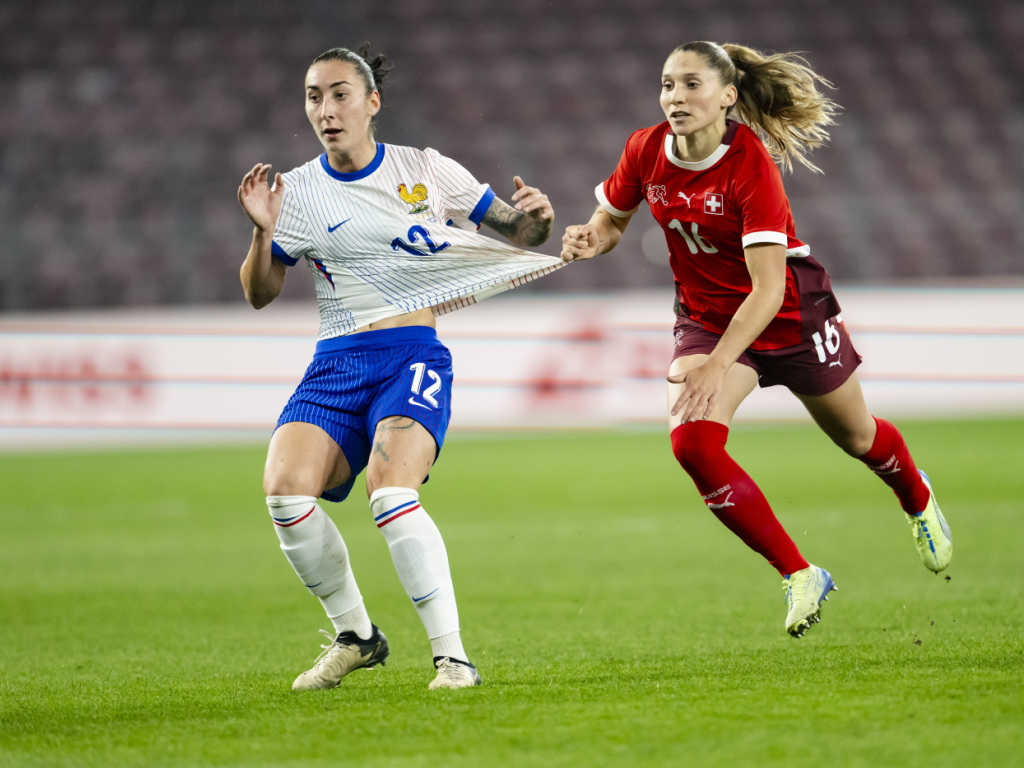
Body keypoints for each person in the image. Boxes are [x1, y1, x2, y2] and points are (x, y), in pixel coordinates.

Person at [560, 41, 952, 638]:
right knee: (693, 445)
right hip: (707, 318)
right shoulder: (644, 148)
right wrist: (594, 237)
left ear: (727, 96)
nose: (675, 97)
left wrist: (717, 366)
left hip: (789, 315)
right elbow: (611, 219)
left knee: (858, 437)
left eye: (691, 84)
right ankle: (800, 573)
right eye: (667, 84)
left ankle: (916, 496)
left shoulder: (750, 164)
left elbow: (767, 289)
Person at [237, 44, 562, 689]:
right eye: (314, 97)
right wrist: (262, 231)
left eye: (340, 95)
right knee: (284, 493)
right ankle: (357, 637)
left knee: (390, 491)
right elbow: (259, 292)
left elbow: (521, 233)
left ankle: (452, 658)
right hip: (335, 362)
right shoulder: (293, 193)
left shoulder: (425, 169)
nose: (326, 111)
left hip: (411, 354)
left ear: (372, 102)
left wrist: (538, 219)